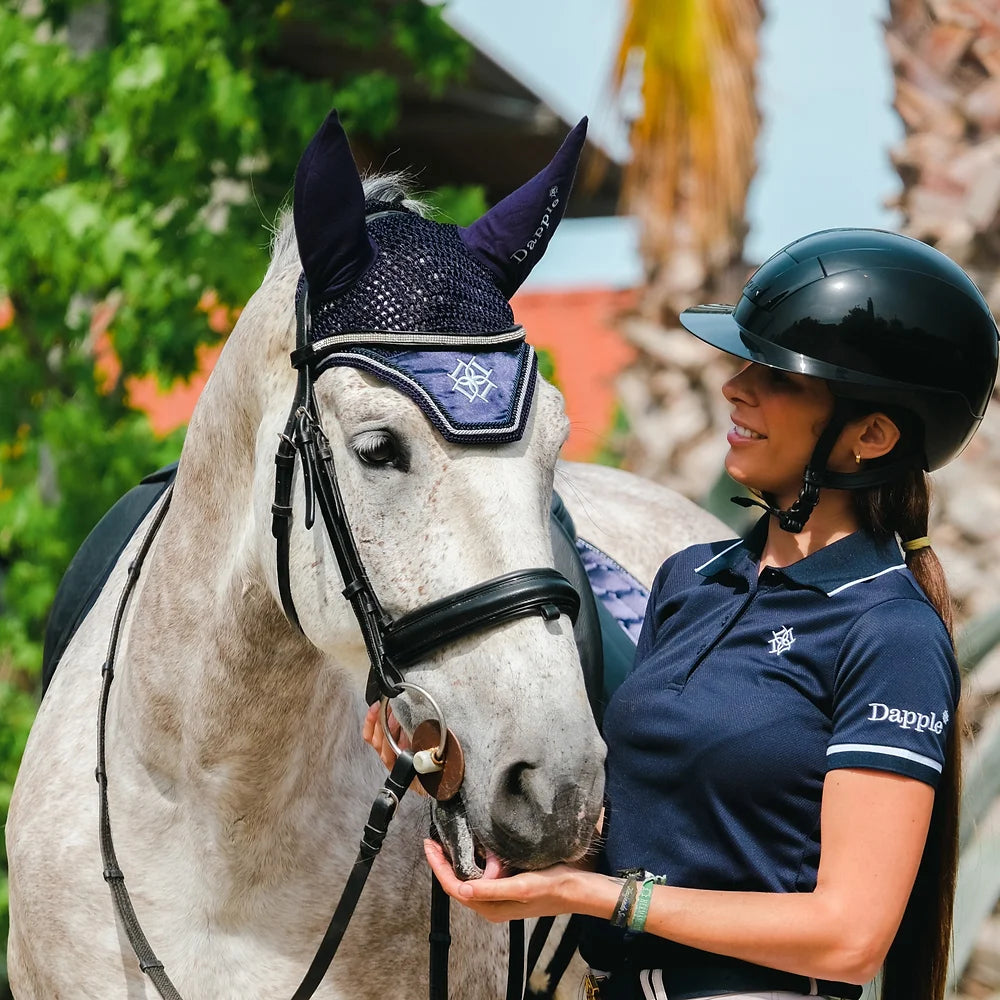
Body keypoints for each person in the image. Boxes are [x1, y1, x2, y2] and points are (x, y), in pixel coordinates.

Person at [366, 228, 1000, 1000]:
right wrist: (441, 768)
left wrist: (592, 898)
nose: (736, 388)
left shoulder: (888, 632)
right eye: (744, 365)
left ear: (871, 436)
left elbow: (849, 937)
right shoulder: (689, 581)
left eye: (782, 379)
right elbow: (641, 840)